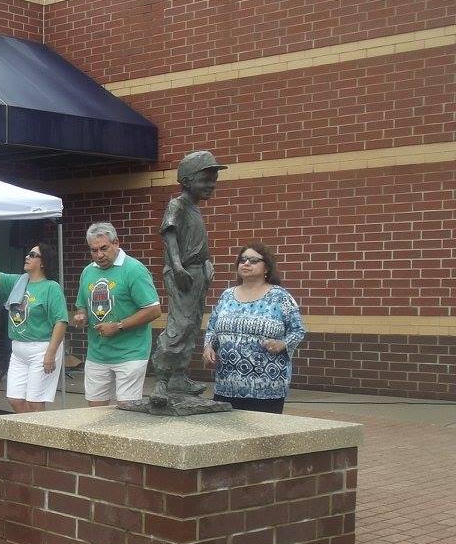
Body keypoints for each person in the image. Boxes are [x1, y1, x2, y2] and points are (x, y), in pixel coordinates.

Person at [150, 150, 225, 405]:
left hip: (197, 272)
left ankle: (179, 376)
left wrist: (206, 262)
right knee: (178, 326)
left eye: (214, 179)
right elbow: (170, 236)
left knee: (192, 325)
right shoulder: (178, 205)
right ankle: (161, 379)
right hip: (182, 273)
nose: (211, 185)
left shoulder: (195, 209)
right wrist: (178, 266)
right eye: (206, 179)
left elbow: (196, 243)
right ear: (188, 180)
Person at [203, 243, 306, 413]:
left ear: (267, 268)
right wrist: (208, 347)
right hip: (227, 384)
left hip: (266, 387)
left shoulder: (279, 296)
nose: (246, 264)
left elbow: (298, 330)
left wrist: (282, 344)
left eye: (253, 260)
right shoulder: (227, 295)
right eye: (242, 260)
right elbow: (212, 327)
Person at [0, 226, 68, 412]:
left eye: (33, 255)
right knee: (15, 399)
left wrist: (50, 353)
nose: (27, 256)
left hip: (41, 348)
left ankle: (39, 439)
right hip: (18, 348)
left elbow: (61, 321)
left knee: (35, 401)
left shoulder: (51, 287)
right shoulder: (19, 281)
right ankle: (29, 437)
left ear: (43, 262)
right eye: (28, 254)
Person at [72, 222, 161, 406]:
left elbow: (153, 310)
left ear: (116, 243)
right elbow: (82, 306)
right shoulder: (88, 272)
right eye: (93, 250)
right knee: (94, 411)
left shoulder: (134, 269)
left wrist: (119, 326)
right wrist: (81, 316)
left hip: (131, 353)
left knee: (126, 412)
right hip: (97, 353)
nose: (99, 255)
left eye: (104, 248)